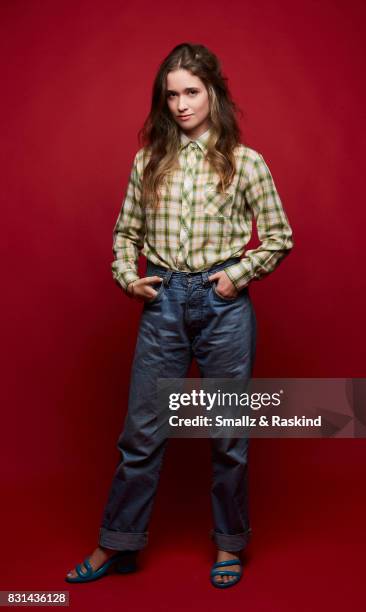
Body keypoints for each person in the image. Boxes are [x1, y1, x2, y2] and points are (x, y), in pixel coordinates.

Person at [65, 42, 294, 589]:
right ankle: (117, 541)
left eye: (192, 92)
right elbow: (125, 234)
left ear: (214, 93)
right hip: (163, 302)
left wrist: (235, 277)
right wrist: (130, 277)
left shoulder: (247, 162)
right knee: (142, 432)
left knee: (227, 435)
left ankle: (229, 545)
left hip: (223, 307)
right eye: (172, 95)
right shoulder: (148, 160)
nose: (182, 105)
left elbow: (280, 237)